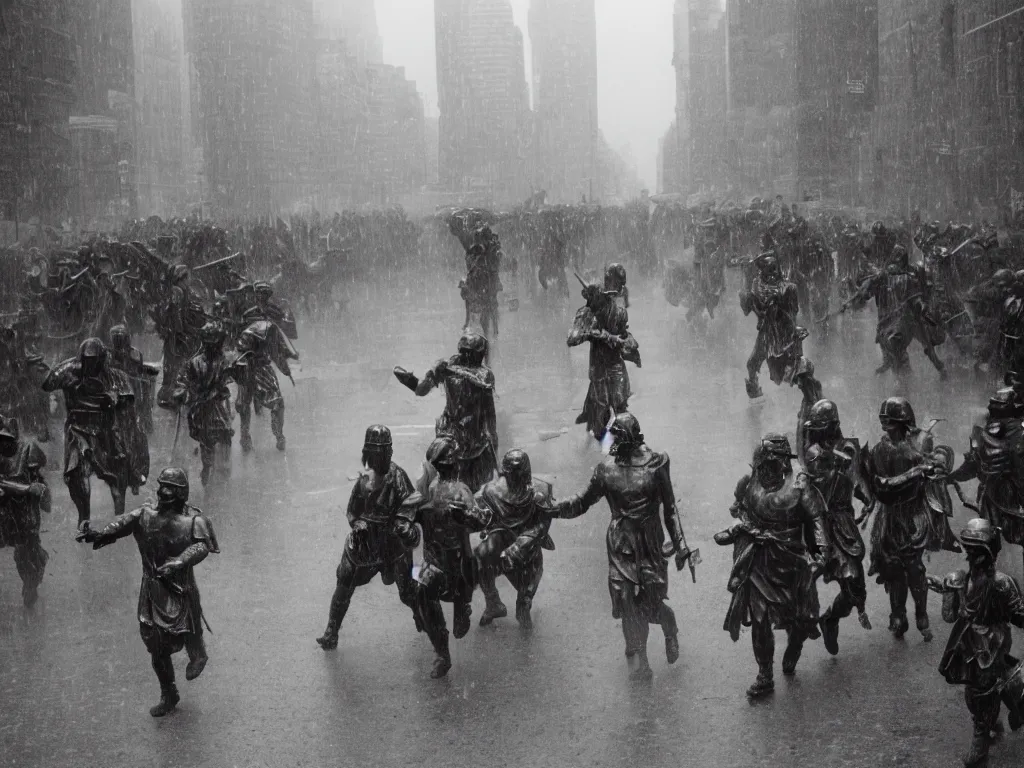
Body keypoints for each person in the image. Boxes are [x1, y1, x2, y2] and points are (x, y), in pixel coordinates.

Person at [554, 414, 694, 680]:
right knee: (626, 601)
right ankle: (642, 658)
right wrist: (554, 509)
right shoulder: (606, 470)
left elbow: (670, 508)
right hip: (620, 544)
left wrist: (681, 546)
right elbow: (582, 501)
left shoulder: (656, 464)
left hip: (650, 542)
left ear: (628, 440)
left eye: (616, 438)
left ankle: (669, 628)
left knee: (651, 604)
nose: (610, 444)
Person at [76, 467, 219, 717]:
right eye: (163, 486)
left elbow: (202, 546)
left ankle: (197, 652)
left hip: (180, 588)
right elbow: (120, 525)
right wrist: (98, 533)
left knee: (187, 626)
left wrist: (179, 562)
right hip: (152, 589)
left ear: (182, 492)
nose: (165, 492)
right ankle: (168, 692)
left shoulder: (195, 521)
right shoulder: (144, 515)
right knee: (154, 643)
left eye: (172, 488)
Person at [716, 433, 827, 698]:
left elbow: (817, 521)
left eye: (772, 462)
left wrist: (820, 556)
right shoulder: (750, 481)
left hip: (792, 560)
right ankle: (764, 673)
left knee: (800, 618)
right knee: (759, 618)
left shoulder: (800, 485)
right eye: (763, 463)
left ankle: (795, 645)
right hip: (759, 559)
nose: (767, 468)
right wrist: (744, 527)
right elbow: (741, 508)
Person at [928, 519, 1024, 766]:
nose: (972, 555)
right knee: (978, 690)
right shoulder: (962, 578)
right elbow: (950, 616)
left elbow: (1018, 615)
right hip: (968, 643)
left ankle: (981, 743)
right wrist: (945, 588)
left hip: (992, 642)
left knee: (981, 691)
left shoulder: (1002, 583)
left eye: (977, 550)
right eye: (969, 549)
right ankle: (997, 716)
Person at [316, 425, 418, 650]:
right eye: (374, 454)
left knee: (408, 590)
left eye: (382, 453)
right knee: (344, 580)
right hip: (366, 543)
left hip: (392, 542)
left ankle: (424, 617)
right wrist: (358, 523)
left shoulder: (398, 476)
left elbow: (411, 504)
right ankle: (332, 630)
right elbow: (352, 510)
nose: (378, 459)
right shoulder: (363, 481)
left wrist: (403, 523)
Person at [862, 397, 952, 642]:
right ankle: (898, 614)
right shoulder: (879, 451)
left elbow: (936, 465)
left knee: (914, 567)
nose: (887, 427)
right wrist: (916, 471)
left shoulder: (920, 444)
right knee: (892, 569)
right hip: (890, 516)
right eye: (885, 423)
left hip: (914, 515)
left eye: (891, 422)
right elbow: (881, 487)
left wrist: (938, 465)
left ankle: (921, 615)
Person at [42, 338, 143, 531]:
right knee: (76, 473)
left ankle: (119, 517)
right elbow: (47, 384)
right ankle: (84, 518)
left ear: (102, 359)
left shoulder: (114, 376)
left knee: (118, 470)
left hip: (107, 429)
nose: (90, 364)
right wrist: (65, 368)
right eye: (87, 359)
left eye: (94, 359)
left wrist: (115, 399)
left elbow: (129, 400)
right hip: (78, 429)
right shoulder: (71, 371)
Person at [450, 448, 555, 631]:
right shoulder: (491, 492)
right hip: (500, 547)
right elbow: (481, 518)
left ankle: (524, 608)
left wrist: (519, 547)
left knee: (523, 608)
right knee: (481, 555)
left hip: (527, 554)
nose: (514, 479)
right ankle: (493, 603)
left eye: (519, 474)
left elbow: (541, 526)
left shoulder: (540, 491)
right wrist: (463, 514)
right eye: (511, 474)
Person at [401, 436, 477, 678]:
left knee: (459, 583)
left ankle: (462, 606)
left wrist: (463, 517)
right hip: (434, 562)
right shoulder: (425, 490)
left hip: (458, 563)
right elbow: (405, 516)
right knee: (420, 587)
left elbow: (478, 519)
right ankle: (442, 652)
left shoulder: (461, 492)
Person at [394, 332, 497, 492]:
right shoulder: (452, 369)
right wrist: (410, 380)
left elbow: (421, 390)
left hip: (470, 441)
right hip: (456, 438)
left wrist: (414, 381)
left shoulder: (476, 374)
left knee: (478, 490)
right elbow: (421, 389)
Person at [949, 386, 1024, 575]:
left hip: (1004, 493)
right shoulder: (987, 433)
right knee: (989, 541)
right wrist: (952, 477)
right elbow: (973, 464)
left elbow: (972, 465)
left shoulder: (1013, 431)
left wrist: (952, 477)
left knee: (991, 540)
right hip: (998, 493)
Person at [850, 244, 947, 379]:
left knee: (927, 345)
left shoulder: (909, 276)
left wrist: (922, 305)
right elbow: (866, 294)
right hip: (888, 318)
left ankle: (939, 366)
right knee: (885, 340)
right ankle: (891, 365)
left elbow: (916, 296)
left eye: (899, 260)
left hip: (909, 316)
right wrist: (858, 297)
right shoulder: (882, 277)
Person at [567, 276, 640, 441]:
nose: (591, 301)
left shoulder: (618, 312)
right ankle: (607, 451)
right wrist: (590, 333)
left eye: (595, 296)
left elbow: (625, 337)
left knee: (623, 415)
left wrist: (622, 342)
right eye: (589, 297)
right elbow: (572, 339)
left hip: (616, 367)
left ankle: (622, 451)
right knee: (600, 419)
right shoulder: (586, 314)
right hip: (598, 371)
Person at [739, 252, 814, 399]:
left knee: (790, 372)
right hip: (767, 333)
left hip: (784, 333)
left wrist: (779, 301)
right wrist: (745, 287)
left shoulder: (788, 287)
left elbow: (793, 312)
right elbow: (748, 309)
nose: (771, 274)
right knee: (752, 365)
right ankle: (755, 396)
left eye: (773, 269)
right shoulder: (756, 286)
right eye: (767, 271)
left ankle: (811, 395)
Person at [171, 322, 237, 486]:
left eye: (216, 343)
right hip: (200, 408)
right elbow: (182, 382)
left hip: (219, 405)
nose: (214, 347)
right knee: (206, 440)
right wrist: (182, 392)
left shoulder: (225, 362)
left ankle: (224, 469)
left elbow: (232, 384)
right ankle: (207, 467)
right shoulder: (194, 363)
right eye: (211, 343)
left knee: (225, 434)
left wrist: (227, 393)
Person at [0, 414, 49, 607]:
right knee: (19, 547)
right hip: (6, 507)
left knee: (27, 550)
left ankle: (32, 582)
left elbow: (37, 479)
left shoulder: (27, 448)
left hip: (26, 508)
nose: (3, 445)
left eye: (6, 440)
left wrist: (34, 486)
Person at [234, 313, 298, 452]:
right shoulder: (269, 329)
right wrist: (286, 371)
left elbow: (239, 354)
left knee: (245, 404)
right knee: (275, 402)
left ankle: (246, 437)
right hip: (259, 370)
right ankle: (278, 436)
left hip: (248, 369)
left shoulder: (247, 333)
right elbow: (275, 353)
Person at [154, 264, 205, 407]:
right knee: (174, 365)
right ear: (182, 278)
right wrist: (186, 331)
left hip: (176, 335)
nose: (190, 279)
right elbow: (178, 317)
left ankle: (172, 394)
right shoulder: (178, 292)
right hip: (175, 336)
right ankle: (167, 396)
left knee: (174, 365)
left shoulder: (182, 291)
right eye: (188, 276)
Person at [108, 324, 159, 435]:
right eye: (117, 338)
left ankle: (144, 423)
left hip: (132, 389)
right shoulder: (108, 355)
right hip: (115, 387)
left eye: (121, 338)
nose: (119, 341)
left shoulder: (134, 353)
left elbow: (139, 371)